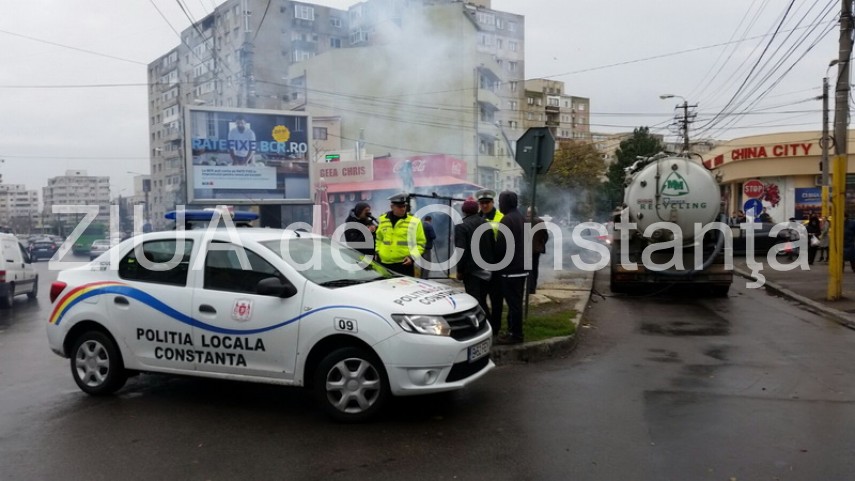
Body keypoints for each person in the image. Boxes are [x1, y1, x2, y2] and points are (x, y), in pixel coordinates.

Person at [495, 191, 527, 345]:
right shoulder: (522, 218)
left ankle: (516, 335)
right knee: (516, 303)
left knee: (513, 305)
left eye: (500, 201)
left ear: (505, 203)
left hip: (510, 269)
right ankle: (512, 331)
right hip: (521, 268)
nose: (499, 204)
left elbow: (500, 247)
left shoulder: (506, 220)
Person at [454, 200, 493, 318]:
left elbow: (461, 251)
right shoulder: (486, 223)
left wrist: (459, 270)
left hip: (471, 271)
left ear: (463, 211)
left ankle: (482, 326)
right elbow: (492, 246)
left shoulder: (461, 226)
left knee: (475, 301)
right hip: (487, 269)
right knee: (482, 299)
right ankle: (489, 324)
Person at [375, 192, 426, 276]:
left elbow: (421, 243)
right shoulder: (382, 219)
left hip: (404, 264)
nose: (402, 209)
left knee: (405, 288)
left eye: (404, 206)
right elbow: (379, 239)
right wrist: (378, 252)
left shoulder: (414, 221)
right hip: (384, 263)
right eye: (399, 207)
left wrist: (412, 257)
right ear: (392, 207)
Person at [476, 189, 504, 334]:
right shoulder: (476, 218)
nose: (484, 205)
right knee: (480, 298)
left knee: (496, 299)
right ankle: (488, 324)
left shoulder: (501, 218)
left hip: (497, 266)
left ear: (493, 203)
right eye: (482, 203)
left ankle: (496, 328)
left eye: (487, 202)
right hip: (479, 265)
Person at [526, 207, 548, 294]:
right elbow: (545, 236)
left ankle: (529, 288)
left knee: (528, 269)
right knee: (534, 269)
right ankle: (533, 288)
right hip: (537, 250)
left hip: (526, 249)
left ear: (528, 213)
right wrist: (541, 244)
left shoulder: (524, 220)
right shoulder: (540, 222)